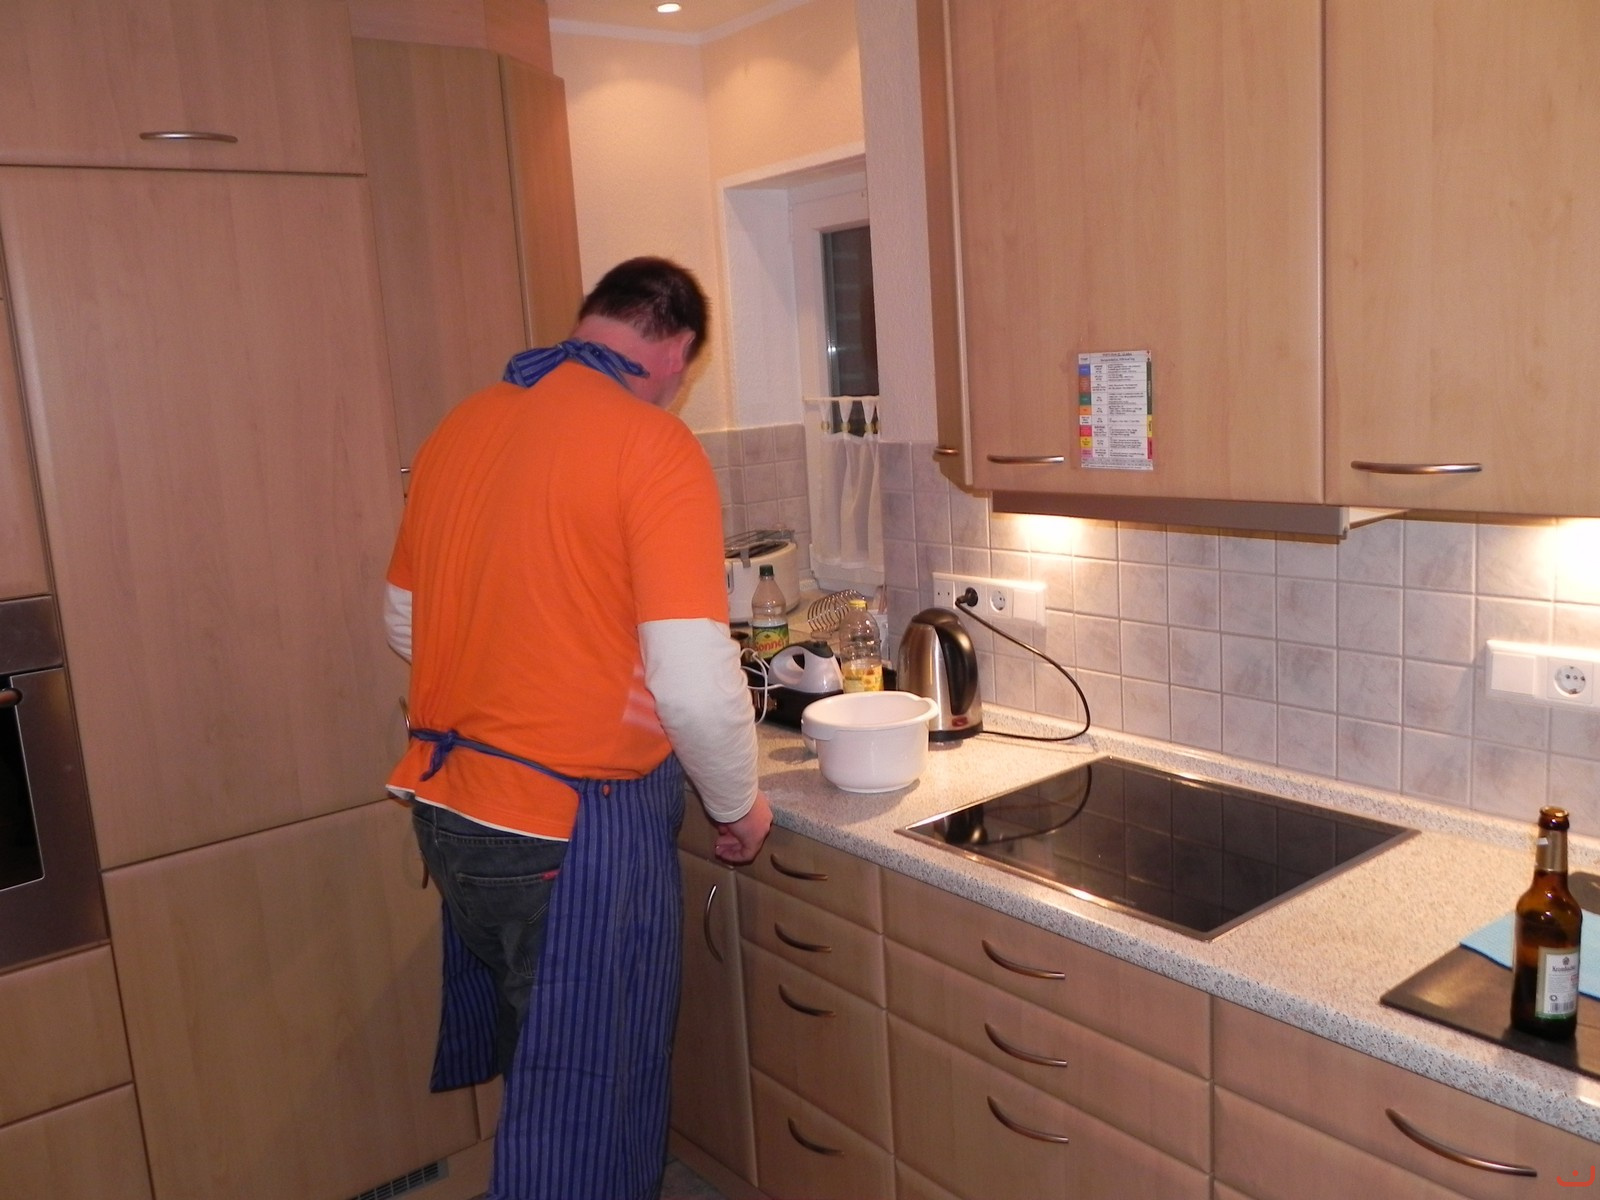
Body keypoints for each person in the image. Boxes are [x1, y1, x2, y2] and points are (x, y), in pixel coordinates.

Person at [383, 257, 772, 1200]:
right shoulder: (651, 445)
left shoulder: (463, 425)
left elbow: (404, 622)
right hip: (569, 827)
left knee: (545, 1072)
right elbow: (693, 681)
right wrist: (738, 804)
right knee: (591, 1109)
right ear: (676, 352)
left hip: (452, 812)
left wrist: (544, 660)